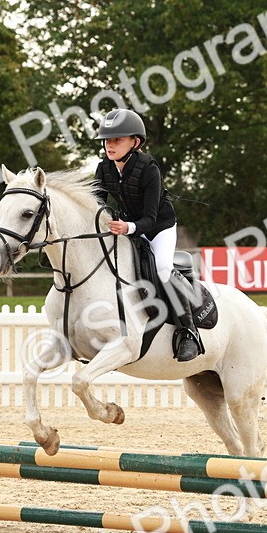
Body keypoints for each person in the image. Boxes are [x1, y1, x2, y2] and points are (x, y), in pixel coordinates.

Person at [93, 108, 202, 362]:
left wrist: (127, 227)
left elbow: (150, 219)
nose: (110, 145)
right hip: (127, 225)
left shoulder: (149, 168)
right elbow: (96, 203)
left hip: (158, 228)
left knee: (162, 268)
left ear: (135, 142)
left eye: (117, 140)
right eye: (107, 140)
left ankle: (189, 332)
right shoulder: (104, 168)